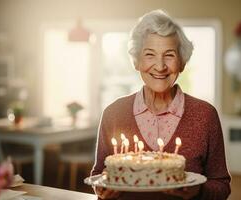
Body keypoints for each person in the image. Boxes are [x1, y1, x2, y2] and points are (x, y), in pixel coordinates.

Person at [91, 9, 231, 200]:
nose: (160, 66)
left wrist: (197, 191)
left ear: (182, 62)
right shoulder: (113, 114)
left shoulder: (205, 115)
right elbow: (99, 176)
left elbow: (221, 185)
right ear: (136, 61)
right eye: (150, 54)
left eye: (169, 55)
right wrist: (104, 192)